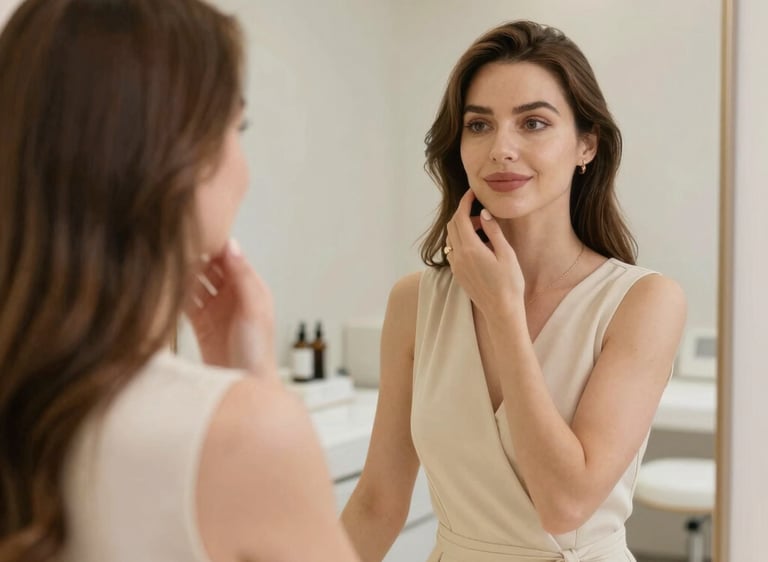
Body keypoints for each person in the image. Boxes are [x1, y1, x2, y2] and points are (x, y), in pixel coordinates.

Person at [0, 1, 359, 561]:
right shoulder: (248, 434)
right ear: (174, 158)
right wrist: (256, 385)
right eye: (236, 128)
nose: (244, 166)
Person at [341, 20, 686, 562]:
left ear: (586, 145)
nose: (501, 148)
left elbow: (565, 504)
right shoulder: (414, 303)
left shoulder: (643, 303)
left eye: (533, 123)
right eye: (479, 126)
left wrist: (502, 309)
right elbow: (377, 502)